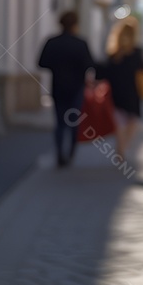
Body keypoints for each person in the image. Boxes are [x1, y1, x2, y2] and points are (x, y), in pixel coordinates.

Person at [37, 10, 95, 168]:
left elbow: (41, 62)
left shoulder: (52, 42)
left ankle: (59, 154)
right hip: (76, 88)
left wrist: (58, 66)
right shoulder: (80, 43)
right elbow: (90, 64)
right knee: (75, 121)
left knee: (60, 122)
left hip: (58, 86)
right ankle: (70, 153)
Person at [98, 16, 143, 162]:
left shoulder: (113, 54)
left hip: (115, 92)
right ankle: (123, 147)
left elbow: (104, 73)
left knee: (119, 122)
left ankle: (120, 147)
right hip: (132, 93)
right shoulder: (136, 53)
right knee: (132, 121)